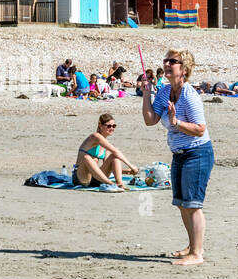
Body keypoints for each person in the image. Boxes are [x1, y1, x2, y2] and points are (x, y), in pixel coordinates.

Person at [142, 49, 213, 266]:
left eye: (172, 61)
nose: (166, 63)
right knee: (182, 204)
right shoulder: (164, 92)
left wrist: (176, 123)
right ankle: (191, 246)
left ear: (183, 69)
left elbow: (200, 129)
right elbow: (150, 120)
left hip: (197, 153)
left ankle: (197, 254)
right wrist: (146, 94)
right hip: (179, 154)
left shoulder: (190, 95)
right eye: (165, 60)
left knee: (193, 205)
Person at [73, 113, 138, 190]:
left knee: (114, 157)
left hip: (96, 179)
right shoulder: (95, 137)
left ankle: (119, 183)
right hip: (82, 178)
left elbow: (107, 167)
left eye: (114, 126)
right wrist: (131, 165)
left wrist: (126, 172)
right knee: (87, 157)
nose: (112, 128)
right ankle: (111, 183)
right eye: (109, 126)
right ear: (100, 125)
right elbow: (116, 151)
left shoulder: (105, 146)